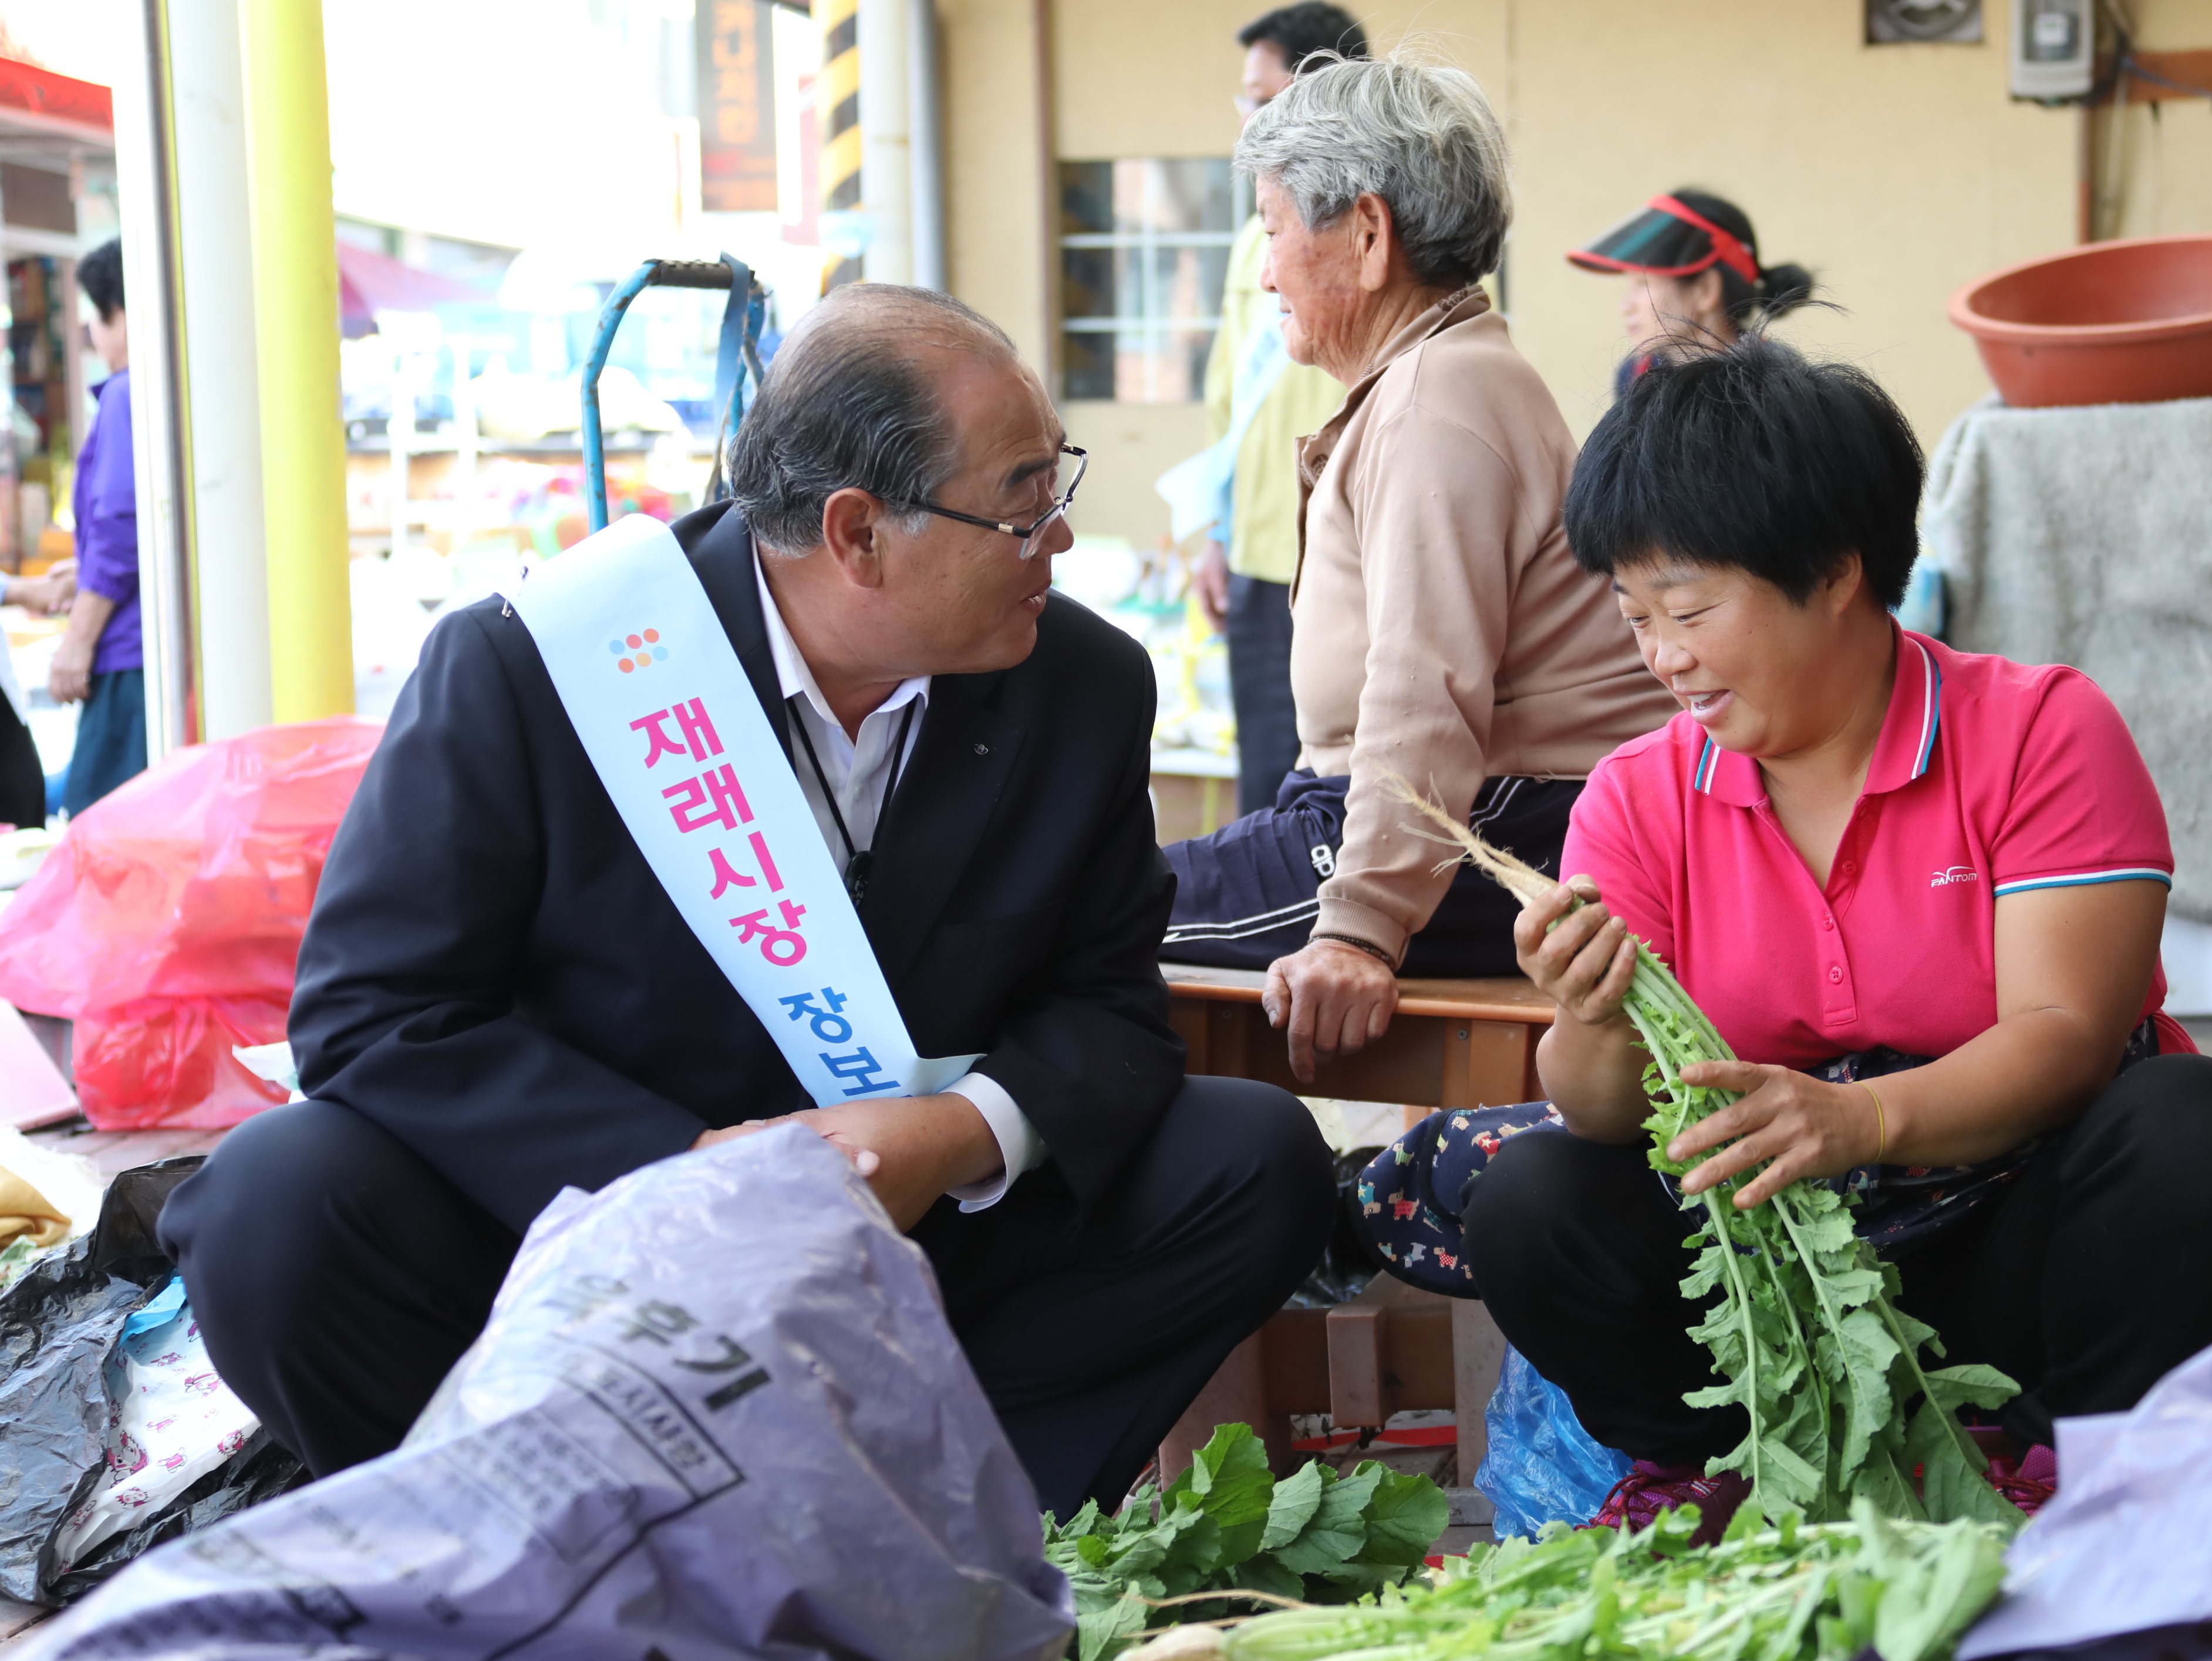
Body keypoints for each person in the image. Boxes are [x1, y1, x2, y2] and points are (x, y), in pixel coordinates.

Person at [160, 285, 1334, 1513]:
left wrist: (954, 1137)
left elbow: (1106, 1005)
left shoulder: (1080, 683)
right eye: (1021, 504)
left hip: (913, 1231)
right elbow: (376, 1014)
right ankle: (515, 1551)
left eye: (1056, 490)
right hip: (584, 1250)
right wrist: (689, 1165)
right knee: (272, 1207)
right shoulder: (545, 663)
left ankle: (946, 1542)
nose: (1061, 541)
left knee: (1248, 1160)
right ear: (858, 534)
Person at [1351, 338, 2212, 1532]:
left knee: (2194, 1127)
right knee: (1538, 1195)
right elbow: (1598, 1112)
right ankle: (1729, 1476)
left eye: (1689, 609)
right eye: (1635, 616)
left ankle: (2085, 1484)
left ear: (1838, 570)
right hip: (1772, 1284)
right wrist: (1589, 1011)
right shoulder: (1640, 794)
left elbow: (2067, 1035)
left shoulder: (2039, 732)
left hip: (2017, 1250)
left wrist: (1863, 1120)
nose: (1662, 657)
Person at [1161, 55, 1670, 1084]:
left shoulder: (1440, 400)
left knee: (1079, 925)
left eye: (1270, 230)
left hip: (1488, 824)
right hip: (1450, 811)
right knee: (1078, 901)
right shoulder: (1437, 376)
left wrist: (1359, 928)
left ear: (1365, 233)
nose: (1263, 273)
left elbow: (1424, 689)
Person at [1184, 4, 1367, 814]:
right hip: (1259, 556)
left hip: (1350, 553)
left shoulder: (1390, 231)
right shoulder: (1252, 239)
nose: (1245, 117)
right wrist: (1216, 536)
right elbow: (1227, 397)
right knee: (1267, 772)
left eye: (1262, 98)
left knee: (1349, 775)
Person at [58, 239, 146, 817]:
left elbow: (120, 530)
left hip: (124, 658)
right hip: (151, 650)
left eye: (95, 313)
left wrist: (76, 643)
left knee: (106, 835)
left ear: (118, 314)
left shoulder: (123, 395)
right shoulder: (169, 391)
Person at [1566, 190, 1810, 397]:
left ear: (1706, 290)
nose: (1625, 306)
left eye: (1642, 284)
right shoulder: (1636, 377)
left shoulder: (1777, 377)